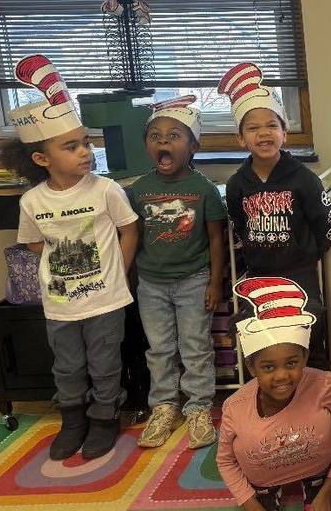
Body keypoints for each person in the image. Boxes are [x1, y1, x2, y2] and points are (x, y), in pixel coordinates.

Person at [1, 55, 139, 460]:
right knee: (68, 366)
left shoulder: (105, 190)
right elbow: (32, 244)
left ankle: (103, 417)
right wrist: (61, 265)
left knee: (104, 363)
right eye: (72, 146)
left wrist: (120, 272)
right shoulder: (32, 201)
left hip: (106, 299)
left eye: (86, 142)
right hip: (60, 304)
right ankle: (73, 418)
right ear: (42, 159)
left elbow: (128, 230)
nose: (85, 151)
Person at [220, 62, 331, 368]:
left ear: (285, 132)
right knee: (264, 339)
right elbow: (238, 223)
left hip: (300, 273)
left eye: (272, 125)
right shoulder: (237, 184)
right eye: (253, 127)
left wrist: (309, 252)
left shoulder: (304, 179)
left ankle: (314, 386)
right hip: (260, 273)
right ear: (241, 138)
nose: (263, 133)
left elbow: (325, 222)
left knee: (310, 327)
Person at [128, 96, 227, 449]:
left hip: (193, 281)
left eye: (173, 136)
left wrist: (215, 282)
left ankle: (199, 407)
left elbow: (216, 239)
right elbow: (132, 238)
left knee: (195, 346)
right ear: (147, 146)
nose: (163, 143)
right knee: (159, 349)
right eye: (155, 136)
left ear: (193, 145)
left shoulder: (204, 190)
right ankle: (165, 406)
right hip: (151, 284)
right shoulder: (138, 190)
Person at [217, 276, 331, 511]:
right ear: (252, 368)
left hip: (319, 470)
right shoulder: (235, 406)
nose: (282, 376)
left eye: (291, 363)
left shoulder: (325, 385)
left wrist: (327, 492)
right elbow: (225, 460)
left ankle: (314, 485)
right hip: (262, 481)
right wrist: (249, 502)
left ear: (304, 357)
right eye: (269, 367)